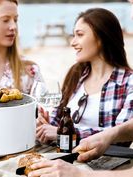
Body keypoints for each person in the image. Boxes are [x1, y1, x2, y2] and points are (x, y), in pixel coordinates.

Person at [36, 7, 133, 145]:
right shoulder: (75, 74)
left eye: (79, 35)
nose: (72, 42)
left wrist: (67, 132)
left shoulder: (128, 82)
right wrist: (45, 125)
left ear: (101, 37)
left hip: (106, 165)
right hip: (63, 159)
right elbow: (57, 125)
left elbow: (119, 136)